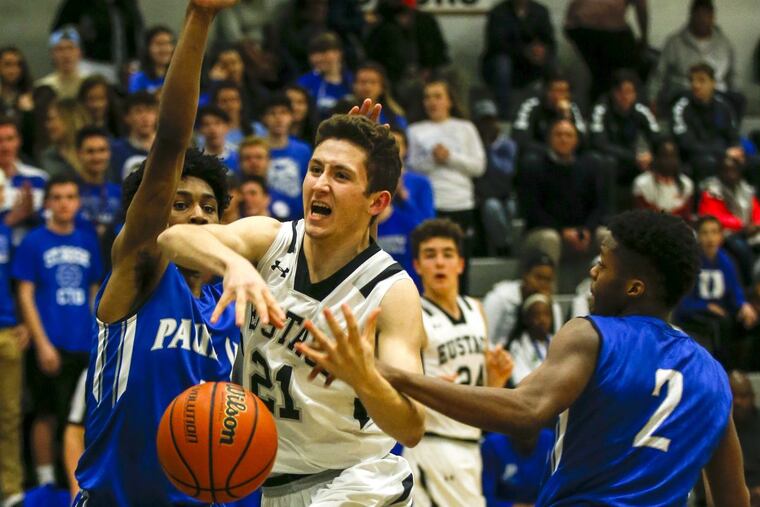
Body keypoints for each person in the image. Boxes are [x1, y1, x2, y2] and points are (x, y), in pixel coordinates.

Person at [368, 209, 748, 506]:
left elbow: (524, 412)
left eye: (603, 264)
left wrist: (393, 375)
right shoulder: (713, 377)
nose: (593, 270)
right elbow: (734, 499)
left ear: (634, 287)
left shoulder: (594, 334)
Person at [157, 106, 428, 506]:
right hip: (274, 487)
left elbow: (412, 426)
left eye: (341, 175)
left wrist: (365, 377)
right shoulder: (270, 240)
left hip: (359, 483)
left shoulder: (392, 292)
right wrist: (234, 264)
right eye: (315, 169)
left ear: (377, 202)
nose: (320, 184)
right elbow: (173, 239)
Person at [73, 1, 241, 505]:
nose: (198, 217)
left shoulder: (233, 301)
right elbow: (170, 142)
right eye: (181, 203)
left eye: (210, 208)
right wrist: (200, 18)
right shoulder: (142, 268)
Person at [403, 218, 512, 507]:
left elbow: (483, 391)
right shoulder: (413, 316)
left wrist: (496, 377)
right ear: (417, 265)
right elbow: (397, 386)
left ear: (461, 264)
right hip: (433, 445)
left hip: (470, 445)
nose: (439, 263)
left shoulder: (477, 309)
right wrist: (428, 389)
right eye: (430, 255)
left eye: (447, 254)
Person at [12, 174, 103, 488]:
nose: (64, 204)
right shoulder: (34, 241)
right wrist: (41, 343)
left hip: (82, 342)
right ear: (48, 202)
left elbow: (94, 289)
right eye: (58, 197)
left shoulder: (87, 239)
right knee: (45, 412)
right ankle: (44, 481)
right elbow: (24, 293)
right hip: (50, 340)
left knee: (78, 417)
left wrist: (97, 336)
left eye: (70, 197)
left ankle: (73, 481)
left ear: (78, 202)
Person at [407, 80, 485, 257]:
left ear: (450, 101)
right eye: (427, 97)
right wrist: (432, 159)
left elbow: (478, 166)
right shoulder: (415, 130)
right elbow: (411, 167)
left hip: (460, 202)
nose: (432, 102)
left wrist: (449, 157)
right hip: (429, 203)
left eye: (438, 96)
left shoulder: (466, 128)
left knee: (459, 260)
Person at [674, 215, 757, 365]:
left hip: (721, 311)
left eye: (714, 232)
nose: (710, 238)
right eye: (705, 233)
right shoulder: (690, 262)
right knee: (721, 324)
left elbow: (735, 290)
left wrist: (743, 305)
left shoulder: (726, 260)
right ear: (698, 236)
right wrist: (706, 306)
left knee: (750, 320)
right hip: (694, 312)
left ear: (720, 236)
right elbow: (682, 303)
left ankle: (746, 370)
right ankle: (723, 369)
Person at [520, 119, 604, 265]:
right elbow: (532, 211)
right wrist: (562, 232)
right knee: (550, 238)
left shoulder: (588, 168)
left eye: (568, 135)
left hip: (581, 232)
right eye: (558, 135)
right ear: (549, 139)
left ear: (576, 140)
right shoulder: (534, 167)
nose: (563, 139)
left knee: (607, 236)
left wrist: (587, 230)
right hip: (543, 231)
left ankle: (610, 287)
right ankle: (545, 288)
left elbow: (599, 206)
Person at [650, 0, 742, 116]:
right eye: (699, 15)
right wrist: (652, 99)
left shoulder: (724, 44)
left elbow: (734, 76)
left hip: (715, 98)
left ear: (713, 17)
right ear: (691, 16)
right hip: (683, 95)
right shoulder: (674, 42)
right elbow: (659, 74)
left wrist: (735, 98)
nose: (702, 20)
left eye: (706, 16)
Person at [0, 170, 28, 507]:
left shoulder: (7, 230)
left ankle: (10, 489)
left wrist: (20, 321)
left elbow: (14, 280)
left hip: (7, 333)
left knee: (9, 416)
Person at [481, 0, 556, 120]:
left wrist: (542, 50)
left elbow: (550, 41)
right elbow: (497, 44)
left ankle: (552, 113)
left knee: (552, 65)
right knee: (502, 65)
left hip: (531, 63)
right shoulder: (499, 12)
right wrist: (525, 52)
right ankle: (504, 115)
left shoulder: (540, 11)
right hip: (504, 60)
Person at [671, 62, 744, 183]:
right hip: (696, 156)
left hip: (724, 152)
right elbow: (687, 143)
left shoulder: (724, 105)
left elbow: (733, 135)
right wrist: (724, 152)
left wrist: (737, 150)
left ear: (713, 83)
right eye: (692, 81)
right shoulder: (681, 107)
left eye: (701, 80)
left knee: (755, 163)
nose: (695, 85)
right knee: (707, 163)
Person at [563, 0, 649, 103]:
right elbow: (641, 8)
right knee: (635, 68)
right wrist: (644, 38)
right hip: (607, 29)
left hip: (577, 27)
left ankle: (597, 103)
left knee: (599, 73)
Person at [589, 70, 660, 188]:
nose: (626, 97)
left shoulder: (640, 108)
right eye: (621, 92)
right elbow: (599, 143)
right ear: (614, 92)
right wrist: (633, 157)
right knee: (608, 163)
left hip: (631, 157)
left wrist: (650, 155)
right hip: (606, 157)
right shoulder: (601, 108)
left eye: (630, 92)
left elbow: (657, 136)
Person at [482, 253, 563, 347]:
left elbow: (556, 344)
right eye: (539, 278)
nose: (543, 285)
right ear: (525, 275)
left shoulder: (553, 307)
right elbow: (484, 339)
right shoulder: (499, 298)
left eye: (548, 280)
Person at [262, 94, 311, 221]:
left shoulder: (303, 150)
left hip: (298, 219)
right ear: (264, 118)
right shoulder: (257, 150)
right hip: (264, 217)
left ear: (291, 117)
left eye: (283, 113)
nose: (278, 118)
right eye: (273, 113)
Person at [0, 117, 48, 244]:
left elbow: (52, 220)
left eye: (10, 139)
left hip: (32, 251)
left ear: (19, 141)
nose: (5, 147)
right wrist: (10, 219)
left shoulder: (39, 179)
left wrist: (32, 215)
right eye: (0, 141)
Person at [73, 127, 121, 242]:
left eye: (102, 150)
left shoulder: (119, 192)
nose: (97, 157)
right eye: (90, 151)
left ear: (109, 153)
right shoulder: (68, 191)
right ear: (78, 154)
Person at [632, 139, 693, 221]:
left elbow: (686, 219)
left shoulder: (686, 184)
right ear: (656, 158)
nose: (670, 161)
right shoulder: (642, 184)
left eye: (673, 156)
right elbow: (641, 217)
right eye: (665, 156)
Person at [297, 32, 353, 119]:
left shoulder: (352, 81)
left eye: (323, 52)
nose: (317, 58)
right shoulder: (305, 83)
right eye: (313, 54)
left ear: (338, 53)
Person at [34, 27, 98, 100]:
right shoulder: (44, 87)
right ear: (52, 54)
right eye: (60, 49)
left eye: (70, 48)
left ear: (79, 53)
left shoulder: (91, 86)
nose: (66, 55)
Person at [109, 92, 158, 182]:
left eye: (150, 111)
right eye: (138, 111)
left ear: (157, 115)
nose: (145, 117)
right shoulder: (116, 150)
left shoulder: (168, 148)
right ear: (127, 117)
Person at [507, 292, 554, 385]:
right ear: (526, 319)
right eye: (537, 315)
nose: (542, 320)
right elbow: (520, 380)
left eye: (546, 314)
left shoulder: (558, 341)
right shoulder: (517, 346)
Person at [730, 370, 760, 505]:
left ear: (753, 397)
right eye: (733, 396)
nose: (737, 401)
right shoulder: (715, 428)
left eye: (743, 396)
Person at [39, 99, 89, 177]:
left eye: (51, 120)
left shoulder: (96, 151)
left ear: (69, 120)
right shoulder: (47, 157)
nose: (47, 125)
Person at [128, 25, 175, 95]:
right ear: (147, 48)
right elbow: (135, 102)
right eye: (159, 44)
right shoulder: (138, 79)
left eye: (168, 43)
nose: (165, 49)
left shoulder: (179, 76)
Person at [196, 105, 240, 175]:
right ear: (199, 130)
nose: (212, 129)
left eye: (217, 123)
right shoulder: (196, 158)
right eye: (206, 124)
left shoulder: (239, 154)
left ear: (227, 127)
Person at [0, 46, 34, 119]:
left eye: (18, 65)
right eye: (7, 64)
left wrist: (28, 111)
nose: (13, 70)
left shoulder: (30, 95)